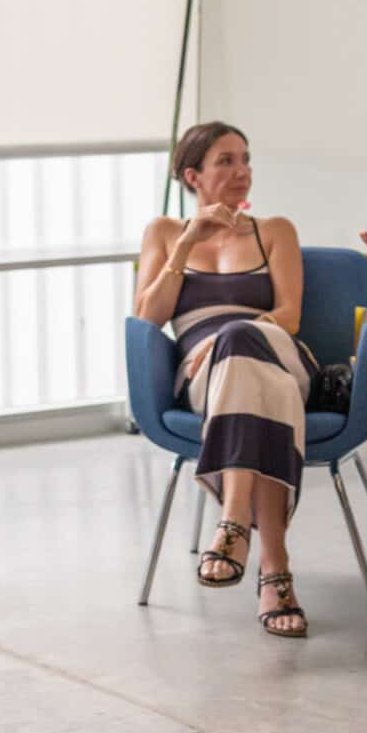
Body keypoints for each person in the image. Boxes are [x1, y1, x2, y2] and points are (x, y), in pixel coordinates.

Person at [132, 121, 315, 637]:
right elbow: (147, 317)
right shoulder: (164, 233)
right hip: (207, 376)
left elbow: (291, 315)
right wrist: (187, 243)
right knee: (256, 385)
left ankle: (233, 523)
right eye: (226, 161)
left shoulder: (275, 229)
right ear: (193, 175)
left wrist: (235, 331)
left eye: (245, 159)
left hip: (278, 350)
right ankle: (274, 570)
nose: (243, 172)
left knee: (241, 343)